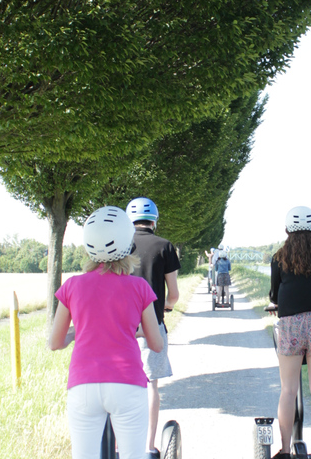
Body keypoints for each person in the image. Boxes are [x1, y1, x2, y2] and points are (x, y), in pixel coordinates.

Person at [49, 205, 164, 459]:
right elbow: (156, 344)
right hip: (127, 384)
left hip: (83, 386)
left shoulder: (71, 286)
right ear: (127, 241)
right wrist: (135, 333)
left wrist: (80, 333)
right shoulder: (139, 287)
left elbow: (55, 342)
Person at [268, 206, 311, 459]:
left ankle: (285, 451)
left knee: (288, 390)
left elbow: (274, 294)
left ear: (287, 230)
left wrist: (280, 303)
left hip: (291, 324)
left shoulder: (280, 257)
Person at [126, 197, 181, 459]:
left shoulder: (120, 245)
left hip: (122, 328)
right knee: (151, 387)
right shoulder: (165, 247)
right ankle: (148, 448)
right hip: (152, 327)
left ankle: (121, 447)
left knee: (122, 386)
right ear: (154, 219)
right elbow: (173, 295)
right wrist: (166, 307)